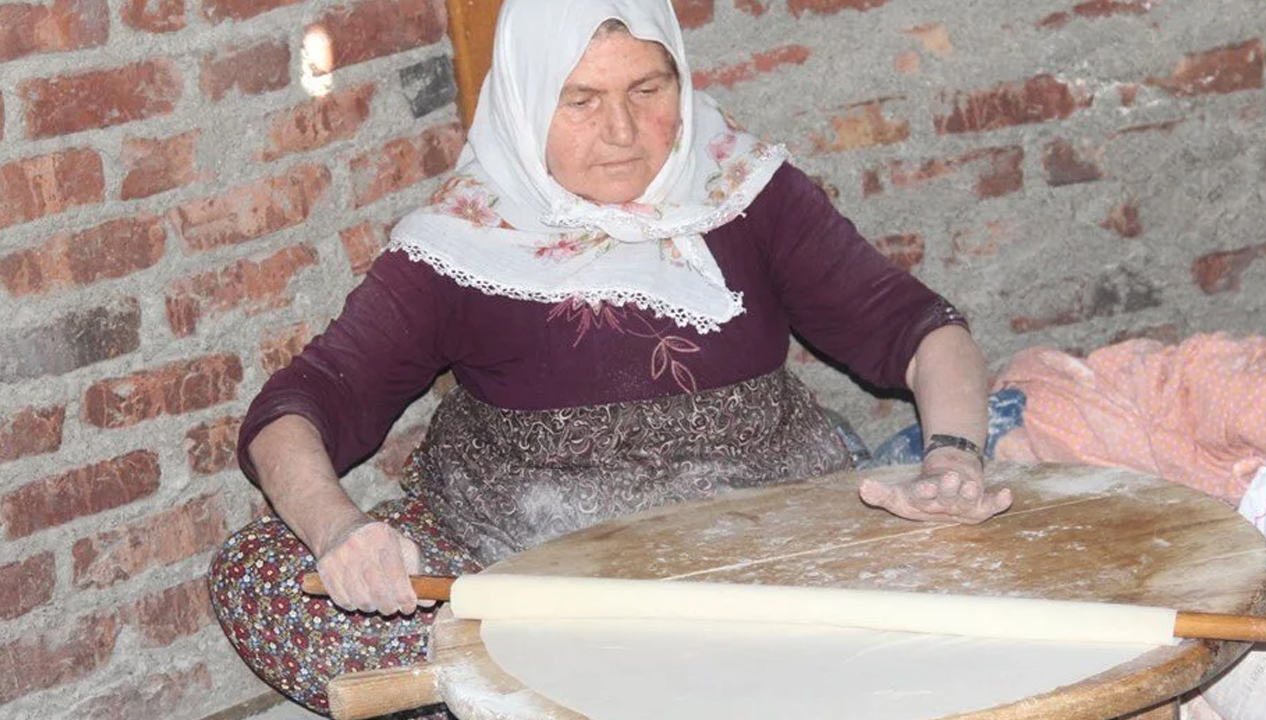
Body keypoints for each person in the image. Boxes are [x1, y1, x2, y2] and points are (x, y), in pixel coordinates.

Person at [209, 0, 1012, 713]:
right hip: (534, 564)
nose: (622, 132)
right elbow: (298, 407)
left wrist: (952, 456)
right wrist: (340, 531)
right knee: (260, 572)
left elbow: (917, 328)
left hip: (758, 539)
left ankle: (596, 688)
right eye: (581, 100)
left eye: (647, 90)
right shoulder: (460, 241)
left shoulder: (742, 190)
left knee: (963, 573)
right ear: (526, 101)